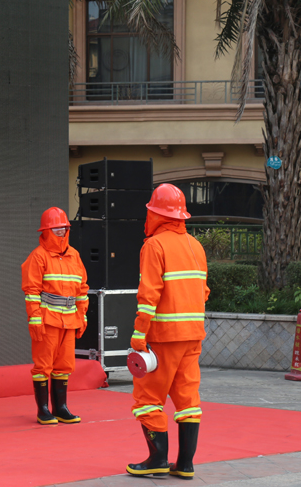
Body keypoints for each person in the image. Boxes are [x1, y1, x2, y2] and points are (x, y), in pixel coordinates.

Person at [127, 184, 208, 480]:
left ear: (155, 213)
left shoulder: (154, 245)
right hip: (193, 335)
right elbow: (204, 291)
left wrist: (139, 335)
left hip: (163, 337)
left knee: (147, 398)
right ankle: (184, 464)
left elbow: (149, 295)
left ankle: (157, 459)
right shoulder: (195, 246)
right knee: (188, 400)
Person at [21, 206, 89, 425]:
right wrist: (35, 319)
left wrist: (82, 317)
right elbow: (31, 291)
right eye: (56, 228)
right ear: (46, 230)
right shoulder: (38, 256)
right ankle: (43, 410)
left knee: (65, 364)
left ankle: (61, 408)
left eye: (64, 228)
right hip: (47, 318)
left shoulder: (74, 255)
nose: (61, 232)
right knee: (43, 365)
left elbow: (82, 289)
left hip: (69, 319)